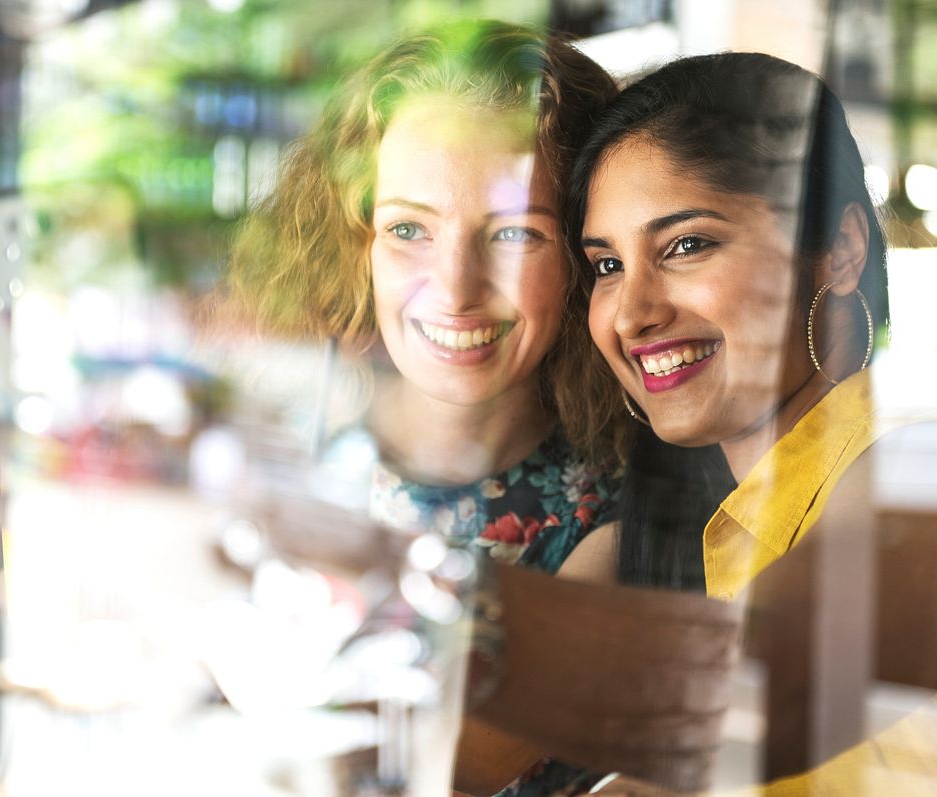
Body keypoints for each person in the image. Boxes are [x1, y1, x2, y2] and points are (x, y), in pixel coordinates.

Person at [226, 20, 631, 797]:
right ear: (359, 242)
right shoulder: (289, 455)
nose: (453, 287)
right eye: (409, 228)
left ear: (586, 252)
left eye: (514, 233)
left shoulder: (625, 528)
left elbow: (422, 774)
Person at [566, 51, 937, 794]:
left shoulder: (902, 475)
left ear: (839, 250)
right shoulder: (725, 527)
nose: (633, 313)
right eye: (606, 266)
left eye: (687, 245)